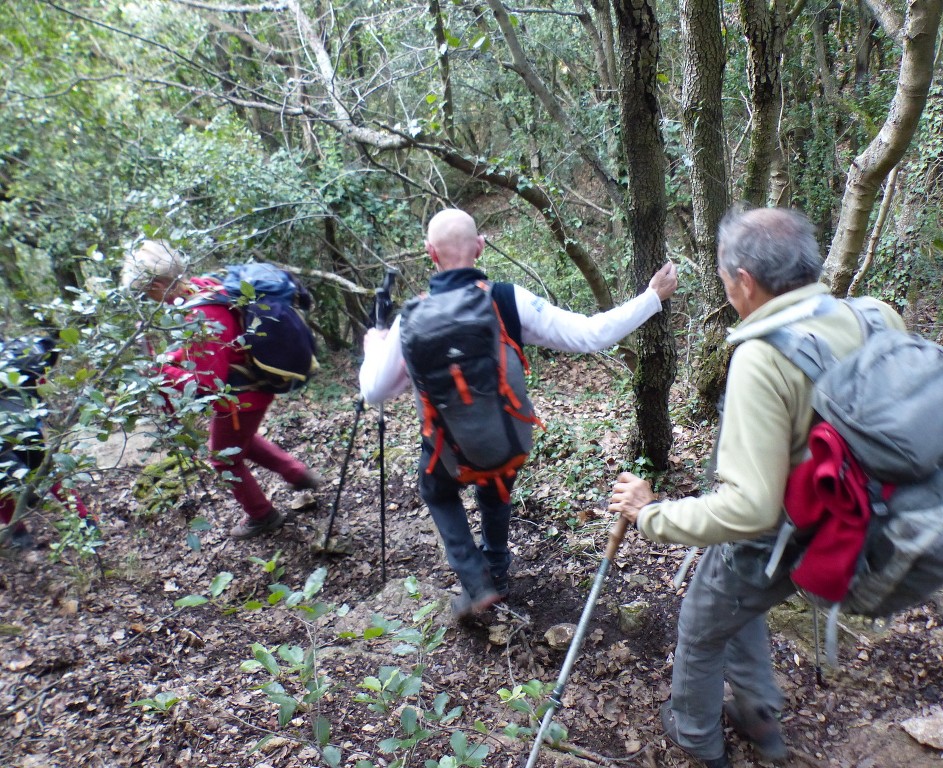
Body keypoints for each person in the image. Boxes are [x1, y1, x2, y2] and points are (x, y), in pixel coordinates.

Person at [608, 207, 906, 767]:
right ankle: (758, 715)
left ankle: (696, 736)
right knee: (733, 604)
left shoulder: (763, 357)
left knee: (701, 621)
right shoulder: (874, 317)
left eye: (725, 282)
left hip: (784, 539)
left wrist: (652, 513)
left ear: (744, 281)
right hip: (860, 522)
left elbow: (750, 509)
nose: (729, 293)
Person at [359, 208, 677, 620]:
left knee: (436, 489)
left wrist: (374, 346)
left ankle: (476, 582)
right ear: (479, 247)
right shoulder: (508, 300)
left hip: (449, 450)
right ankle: (498, 573)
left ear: (429, 254)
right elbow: (589, 334)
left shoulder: (410, 321)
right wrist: (652, 296)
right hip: (507, 442)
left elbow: (375, 390)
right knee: (494, 481)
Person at [120, 240, 321, 539]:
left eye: (147, 291)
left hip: (240, 399)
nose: (149, 299)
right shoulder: (205, 287)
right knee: (241, 442)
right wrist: (171, 359)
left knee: (223, 457)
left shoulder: (203, 316)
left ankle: (262, 515)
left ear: (160, 284)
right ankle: (296, 473)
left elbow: (206, 385)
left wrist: (160, 371)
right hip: (251, 390)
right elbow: (206, 351)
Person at [1, 335, 92, 550]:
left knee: (42, 472)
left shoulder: (12, 352)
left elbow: (45, 351)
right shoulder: (13, 351)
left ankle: (83, 521)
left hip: (23, 425)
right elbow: (45, 350)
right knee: (42, 472)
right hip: (23, 424)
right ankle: (83, 521)